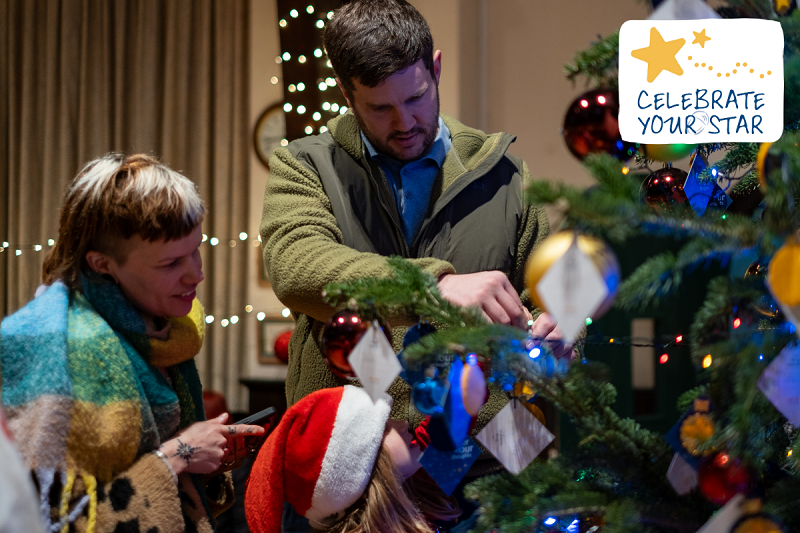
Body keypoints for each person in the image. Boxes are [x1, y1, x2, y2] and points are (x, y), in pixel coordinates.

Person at [261, 0, 570, 458]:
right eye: (381, 108)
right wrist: (433, 287)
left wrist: (567, 330)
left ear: (437, 68)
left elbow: (555, 297)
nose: (404, 123)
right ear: (347, 94)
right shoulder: (305, 165)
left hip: (490, 457)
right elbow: (295, 268)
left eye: (415, 97)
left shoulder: (506, 173)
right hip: (351, 468)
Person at [0, 153, 265, 533]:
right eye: (171, 263)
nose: (197, 273)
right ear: (102, 263)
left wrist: (202, 456)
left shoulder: (157, 329)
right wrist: (180, 453)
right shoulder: (59, 349)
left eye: (195, 248)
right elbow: (46, 523)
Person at [245, 385, 460, 533]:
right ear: (359, 472)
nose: (403, 423)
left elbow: (444, 428)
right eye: (384, 427)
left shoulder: (413, 486)